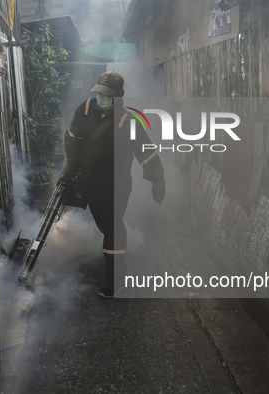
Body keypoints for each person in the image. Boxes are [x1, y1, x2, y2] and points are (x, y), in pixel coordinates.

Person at [64, 71, 165, 298]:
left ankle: (115, 279)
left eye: (107, 94)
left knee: (112, 228)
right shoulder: (86, 108)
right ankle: (112, 265)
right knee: (105, 227)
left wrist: (158, 185)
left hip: (114, 187)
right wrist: (71, 162)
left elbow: (147, 155)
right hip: (89, 183)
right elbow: (72, 136)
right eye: (99, 92)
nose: (101, 97)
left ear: (120, 95)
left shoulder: (129, 122)